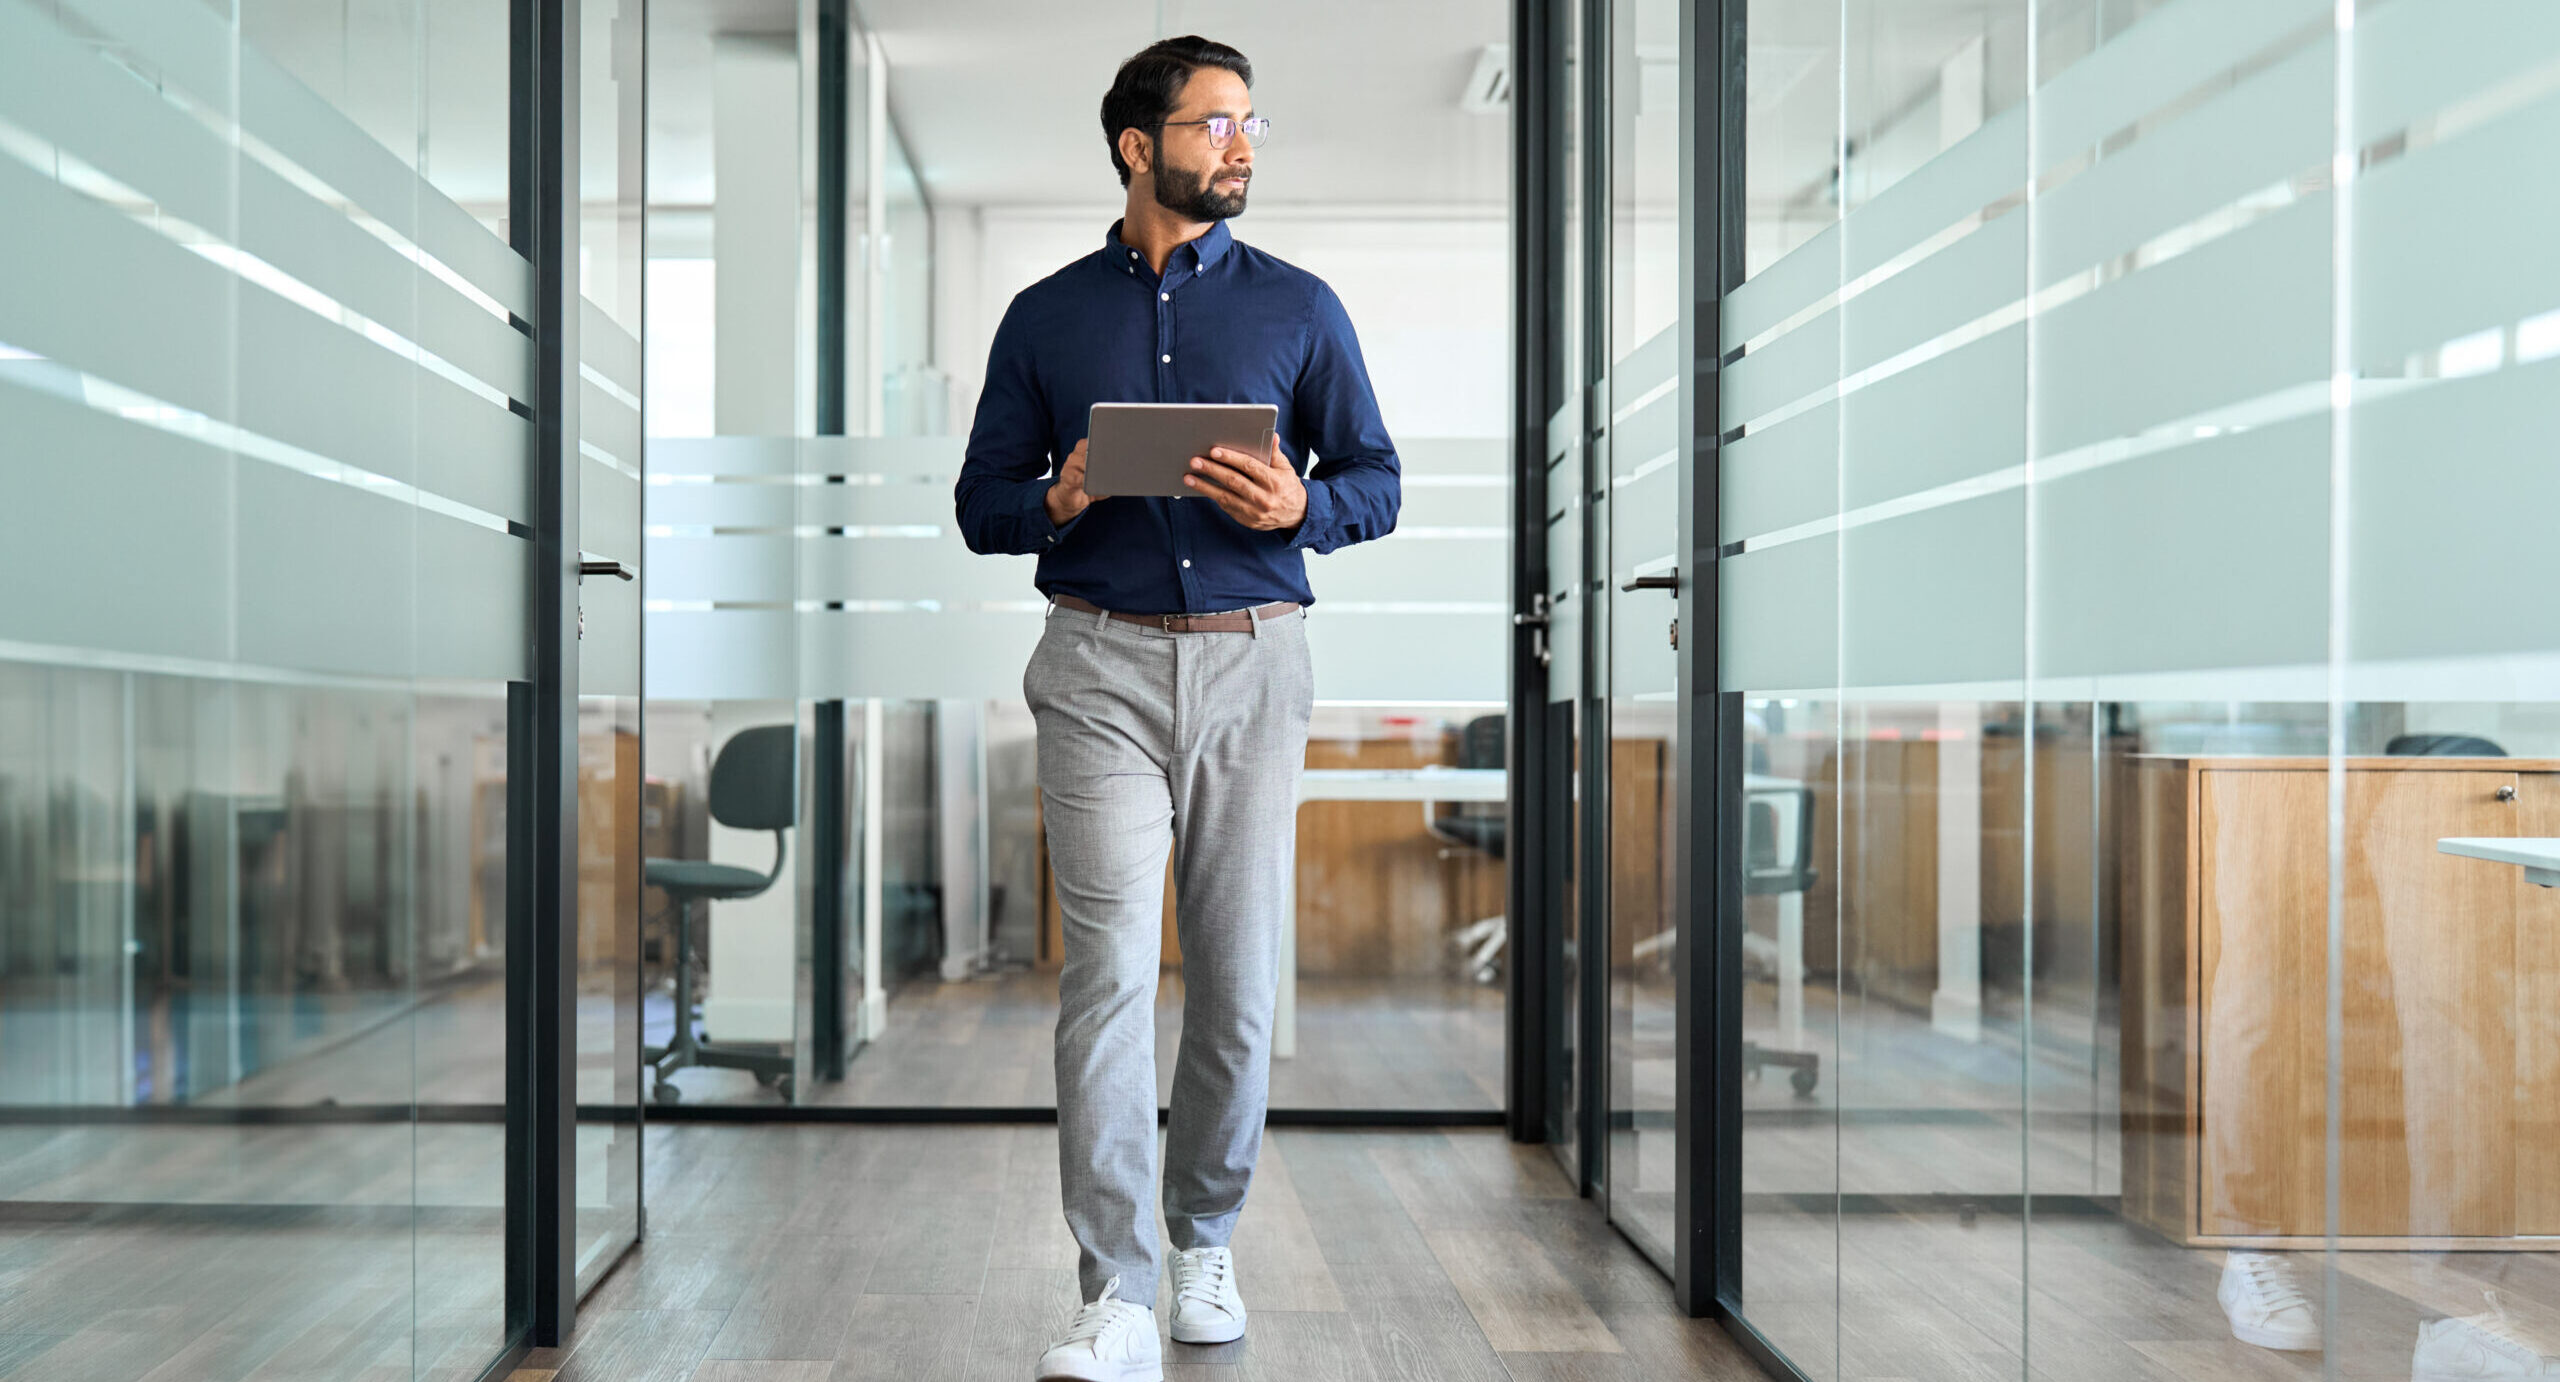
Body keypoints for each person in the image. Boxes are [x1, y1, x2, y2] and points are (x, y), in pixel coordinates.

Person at [952, 34, 1400, 1382]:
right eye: (1215, 125)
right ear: (1139, 146)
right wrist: (1063, 497)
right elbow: (981, 507)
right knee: (1103, 980)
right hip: (1096, 668)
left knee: (1239, 976)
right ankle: (1119, 1290)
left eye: (1251, 123)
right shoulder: (1045, 316)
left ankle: (1204, 1238)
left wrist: (1302, 507)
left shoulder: (1300, 308)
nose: (1243, 145)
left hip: (1256, 661)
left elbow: (1376, 478)